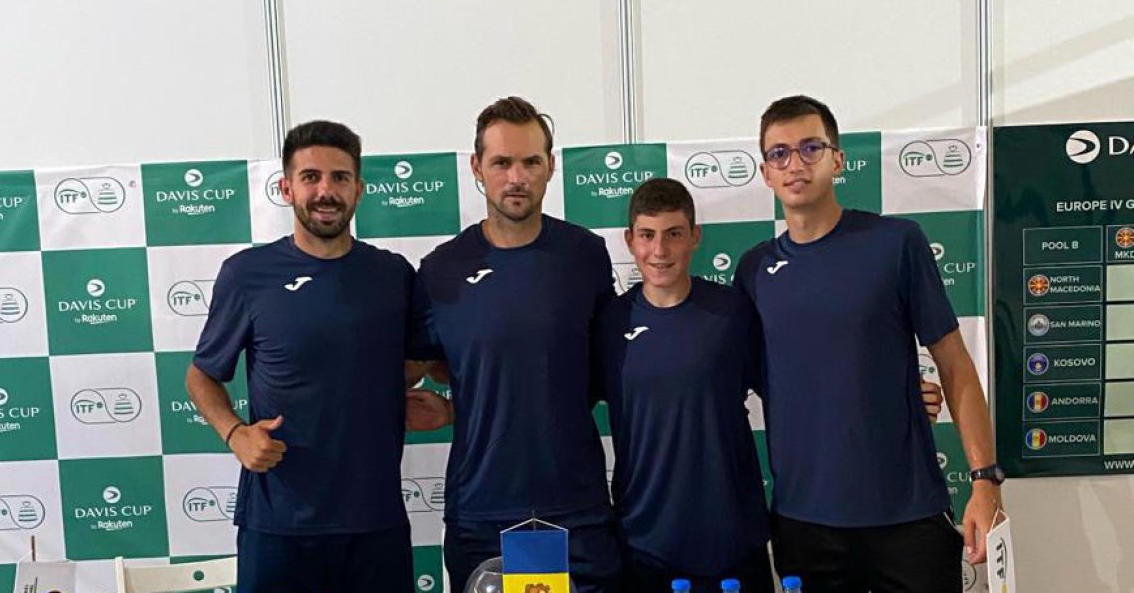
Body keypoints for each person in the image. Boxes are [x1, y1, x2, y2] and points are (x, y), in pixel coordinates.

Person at [735, 95, 1002, 593]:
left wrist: (985, 480)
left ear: (837, 159)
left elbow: (955, 364)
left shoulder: (897, 242)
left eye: (810, 148)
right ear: (765, 172)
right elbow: (753, 380)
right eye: (780, 153)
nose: (795, 164)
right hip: (804, 523)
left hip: (908, 517)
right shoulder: (753, 271)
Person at [184, 120, 450, 592]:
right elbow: (202, 376)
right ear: (287, 187)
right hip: (278, 525)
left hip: (375, 522)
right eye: (311, 177)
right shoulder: (248, 274)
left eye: (339, 177)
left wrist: (423, 398)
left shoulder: (393, 275)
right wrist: (234, 433)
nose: (325, 190)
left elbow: (421, 360)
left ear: (358, 189)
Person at [413, 96, 622, 593]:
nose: (517, 177)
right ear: (477, 169)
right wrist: (457, 403)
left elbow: (603, 363)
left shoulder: (585, 255)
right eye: (502, 162)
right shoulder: (441, 269)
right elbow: (429, 363)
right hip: (482, 509)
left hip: (576, 507)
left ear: (551, 165)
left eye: (530, 161)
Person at [594, 178, 773, 593]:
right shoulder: (607, 323)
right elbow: (553, 403)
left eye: (674, 234)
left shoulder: (733, 313)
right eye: (647, 236)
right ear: (629, 240)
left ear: (695, 237)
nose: (659, 251)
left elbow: (801, 390)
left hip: (733, 542)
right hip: (644, 544)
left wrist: (895, 395)